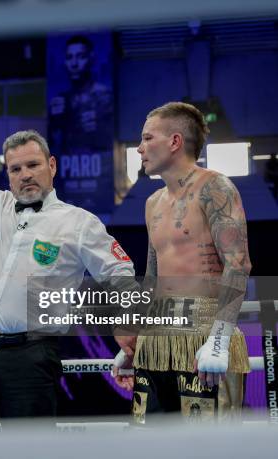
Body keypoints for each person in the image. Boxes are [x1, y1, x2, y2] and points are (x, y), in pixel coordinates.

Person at [0, 48, 135, 419]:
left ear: (51, 165)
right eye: (16, 168)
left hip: (32, 355)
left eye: (33, 165)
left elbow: (120, 274)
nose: (25, 174)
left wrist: (126, 330)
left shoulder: (78, 222)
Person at [113, 101, 251, 423]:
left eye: (147, 138)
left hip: (204, 332)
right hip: (156, 341)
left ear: (175, 141)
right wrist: (133, 340)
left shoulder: (215, 187)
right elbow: (152, 276)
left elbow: (238, 264)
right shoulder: (152, 203)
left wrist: (219, 337)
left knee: (206, 448)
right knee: (150, 444)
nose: (139, 148)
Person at [49, 35, 113, 152]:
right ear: (65, 62)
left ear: (91, 59)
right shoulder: (60, 101)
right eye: (69, 57)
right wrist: (54, 124)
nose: (74, 64)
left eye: (81, 57)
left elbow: (113, 141)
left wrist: (100, 129)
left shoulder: (105, 97)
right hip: (67, 167)